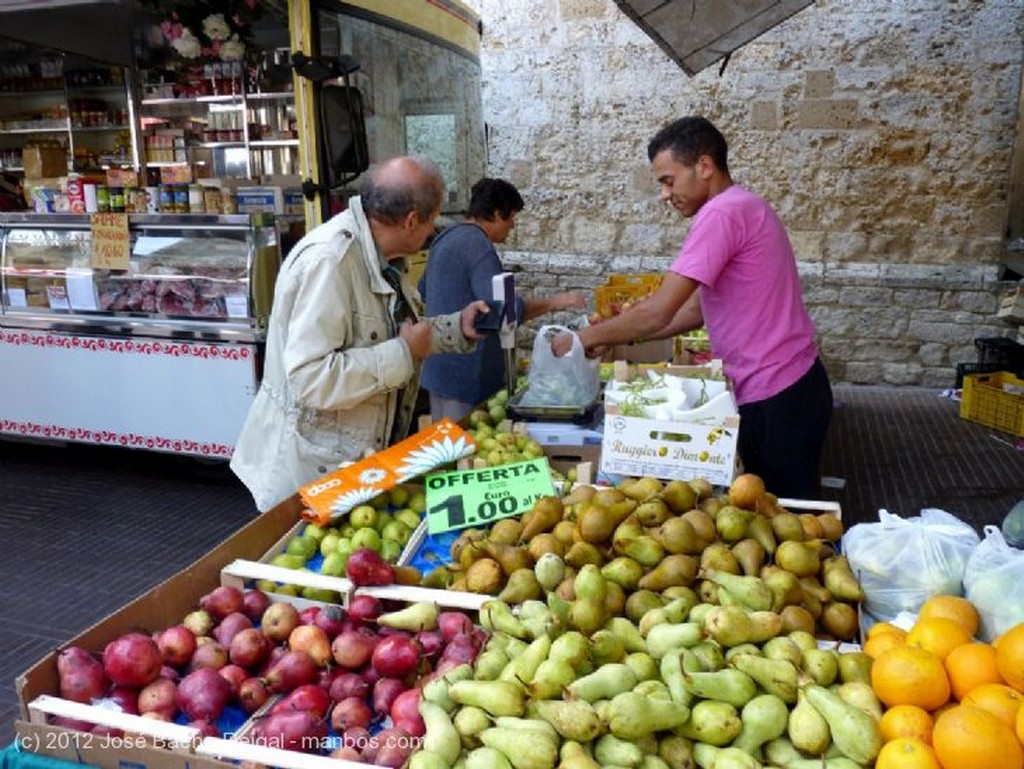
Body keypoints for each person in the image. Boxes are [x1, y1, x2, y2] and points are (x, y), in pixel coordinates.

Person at [555, 116, 833, 498]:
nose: (664, 195)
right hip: (784, 387)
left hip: (778, 392)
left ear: (704, 166)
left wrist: (580, 338)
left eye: (668, 181)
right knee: (777, 514)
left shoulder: (721, 213)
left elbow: (659, 311)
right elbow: (692, 313)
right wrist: (623, 340)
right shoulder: (744, 206)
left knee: (791, 522)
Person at [231, 156, 490, 512]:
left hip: (352, 469)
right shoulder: (330, 262)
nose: (433, 232)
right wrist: (403, 354)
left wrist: (455, 327)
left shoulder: (383, 258)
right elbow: (311, 378)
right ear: (412, 220)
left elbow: (396, 334)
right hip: (310, 478)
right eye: (432, 221)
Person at [418, 177, 586, 422]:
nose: (513, 226)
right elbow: (504, 311)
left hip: (437, 367)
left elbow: (423, 291)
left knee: (444, 447)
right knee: (464, 447)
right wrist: (557, 302)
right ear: (497, 214)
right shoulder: (479, 246)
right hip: (467, 374)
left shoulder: (445, 238)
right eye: (511, 218)